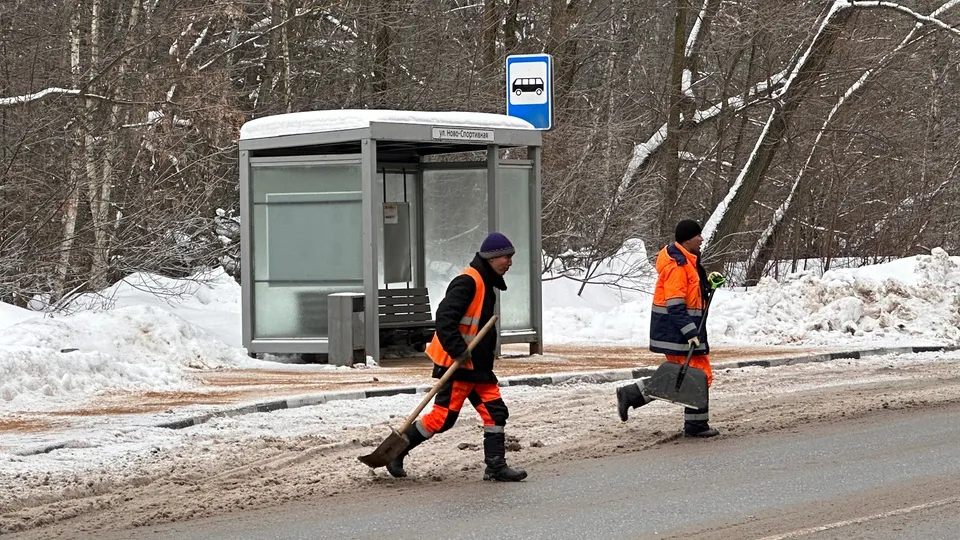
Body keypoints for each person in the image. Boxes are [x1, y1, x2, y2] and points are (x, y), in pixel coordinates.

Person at [386, 232, 528, 482]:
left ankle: (495, 467)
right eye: (507, 257)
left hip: (479, 368)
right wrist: (458, 351)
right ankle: (395, 453)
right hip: (460, 366)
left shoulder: (486, 284)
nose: (510, 263)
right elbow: (444, 319)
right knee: (442, 419)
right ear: (493, 257)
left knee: (496, 413)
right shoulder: (468, 282)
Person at [616, 219, 722, 438]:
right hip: (679, 333)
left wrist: (708, 286)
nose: (701, 239)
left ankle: (634, 395)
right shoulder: (677, 266)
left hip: (682, 332)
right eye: (697, 236)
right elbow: (675, 304)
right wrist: (690, 332)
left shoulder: (688, 262)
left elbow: (691, 297)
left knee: (688, 377)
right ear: (687, 239)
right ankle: (694, 426)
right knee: (696, 376)